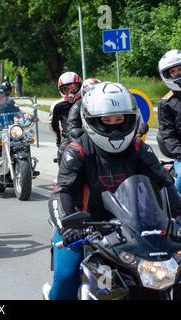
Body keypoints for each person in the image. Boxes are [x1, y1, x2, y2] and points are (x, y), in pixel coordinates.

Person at [44, 82, 181, 300]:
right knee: (67, 276)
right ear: (90, 121)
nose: (115, 127)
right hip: (87, 229)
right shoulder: (77, 151)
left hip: (137, 230)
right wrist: (69, 226)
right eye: (106, 121)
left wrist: (178, 215)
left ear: (131, 118)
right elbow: (62, 193)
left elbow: (164, 183)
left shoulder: (139, 148)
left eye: (120, 119)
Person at [157, 49, 181, 194]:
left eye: (180, 69)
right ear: (167, 75)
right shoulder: (166, 104)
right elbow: (168, 135)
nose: (178, 73)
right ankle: (177, 209)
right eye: (173, 72)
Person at [49, 72, 82, 163]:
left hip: (86, 135)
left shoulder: (86, 100)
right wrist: (59, 140)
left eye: (73, 88)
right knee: (62, 153)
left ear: (79, 86)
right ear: (61, 90)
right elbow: (53, 125)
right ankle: (63, 176)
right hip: (68, 136)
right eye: (66, 89)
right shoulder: (57, 105)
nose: (70, 92)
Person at [66, 78, 101, 142]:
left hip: (104, 137)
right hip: (86, 139)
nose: (93, 97)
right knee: (63, 148)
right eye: (90, 93)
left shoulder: (106, 106)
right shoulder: (77, 106)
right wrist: (80, 142)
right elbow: (72, 127)